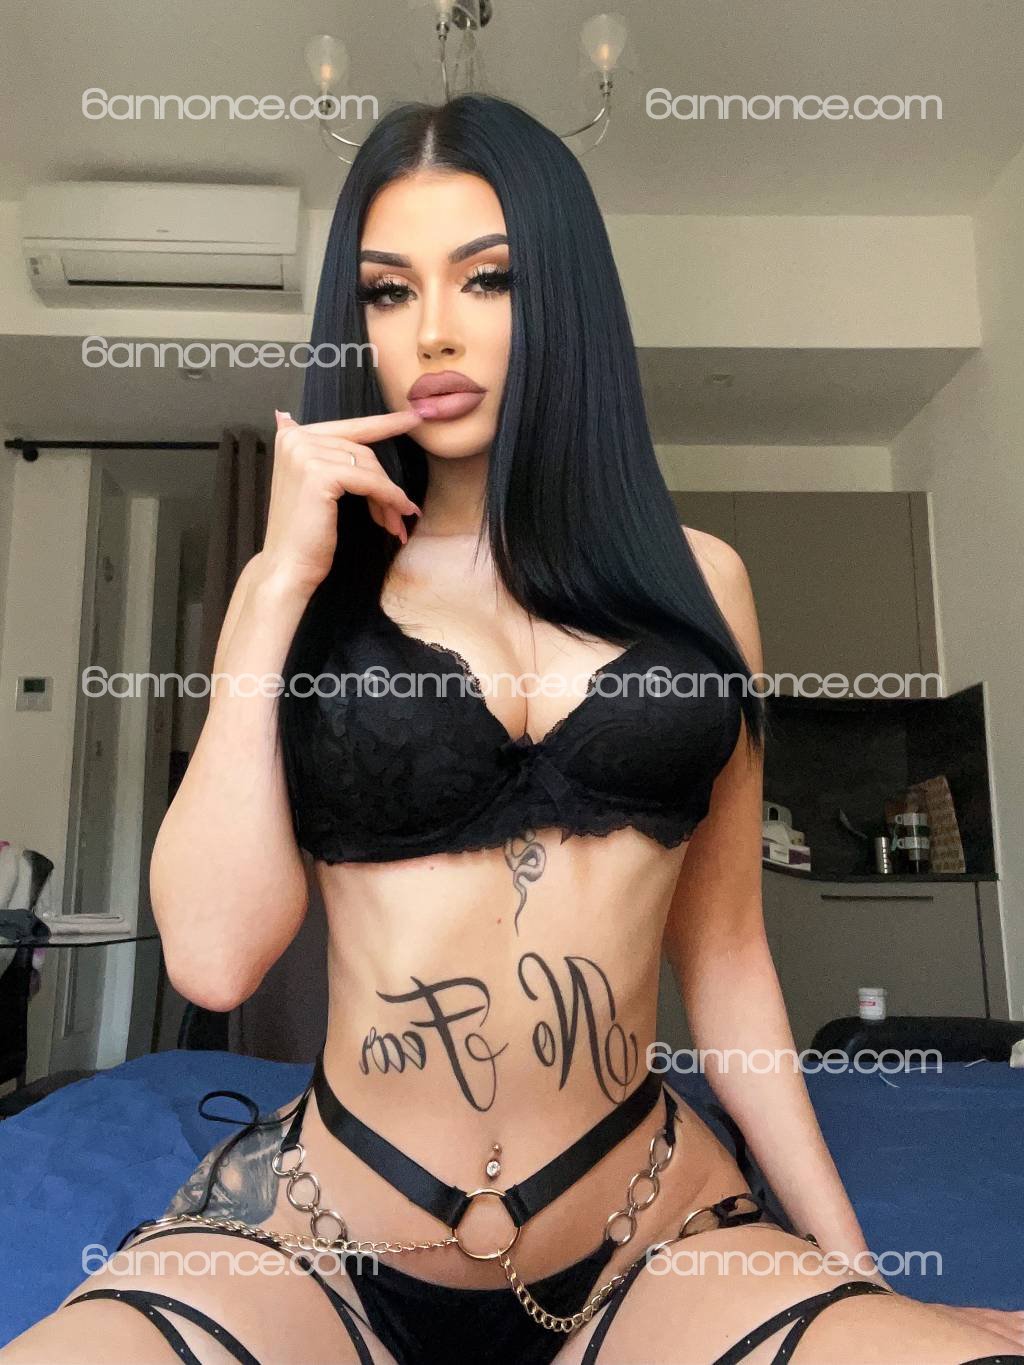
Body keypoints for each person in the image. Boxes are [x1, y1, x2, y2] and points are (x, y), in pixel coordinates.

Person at [5, 93, 1022, 1365]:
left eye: (487, 278)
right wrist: (272, 584)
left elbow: (725, 956)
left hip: (648, 1229)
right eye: (388, 291)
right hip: (322, 1233)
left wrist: (855, 1274)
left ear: (563, 300)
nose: (432, 327)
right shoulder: (303, 601)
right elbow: (213, 963)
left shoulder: (703, 584)